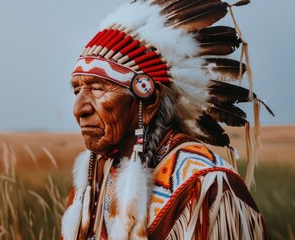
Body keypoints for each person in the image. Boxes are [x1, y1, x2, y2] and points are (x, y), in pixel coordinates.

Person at [61, 0, 272, 239]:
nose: (79, 109)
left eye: (98, 88)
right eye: (76, 91)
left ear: (149, 102)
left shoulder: (207, 187)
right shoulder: (93, 178)